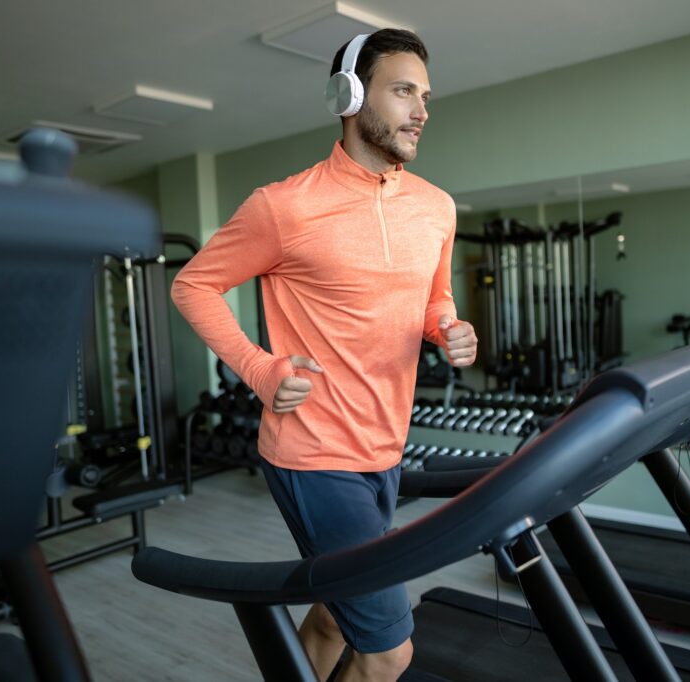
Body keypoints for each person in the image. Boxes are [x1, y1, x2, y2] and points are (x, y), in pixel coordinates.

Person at [170, 29, 478, 682]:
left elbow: (435, 300)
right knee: (389, 649)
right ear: (350, 95)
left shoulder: (436, 207)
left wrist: (449, 329)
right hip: (312, 454)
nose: (422, 109)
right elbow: (192, 284)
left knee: (340, 615)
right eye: (403, 91)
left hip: (385, 446)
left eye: (426, 95)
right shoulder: (283, 208)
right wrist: (258, 369)